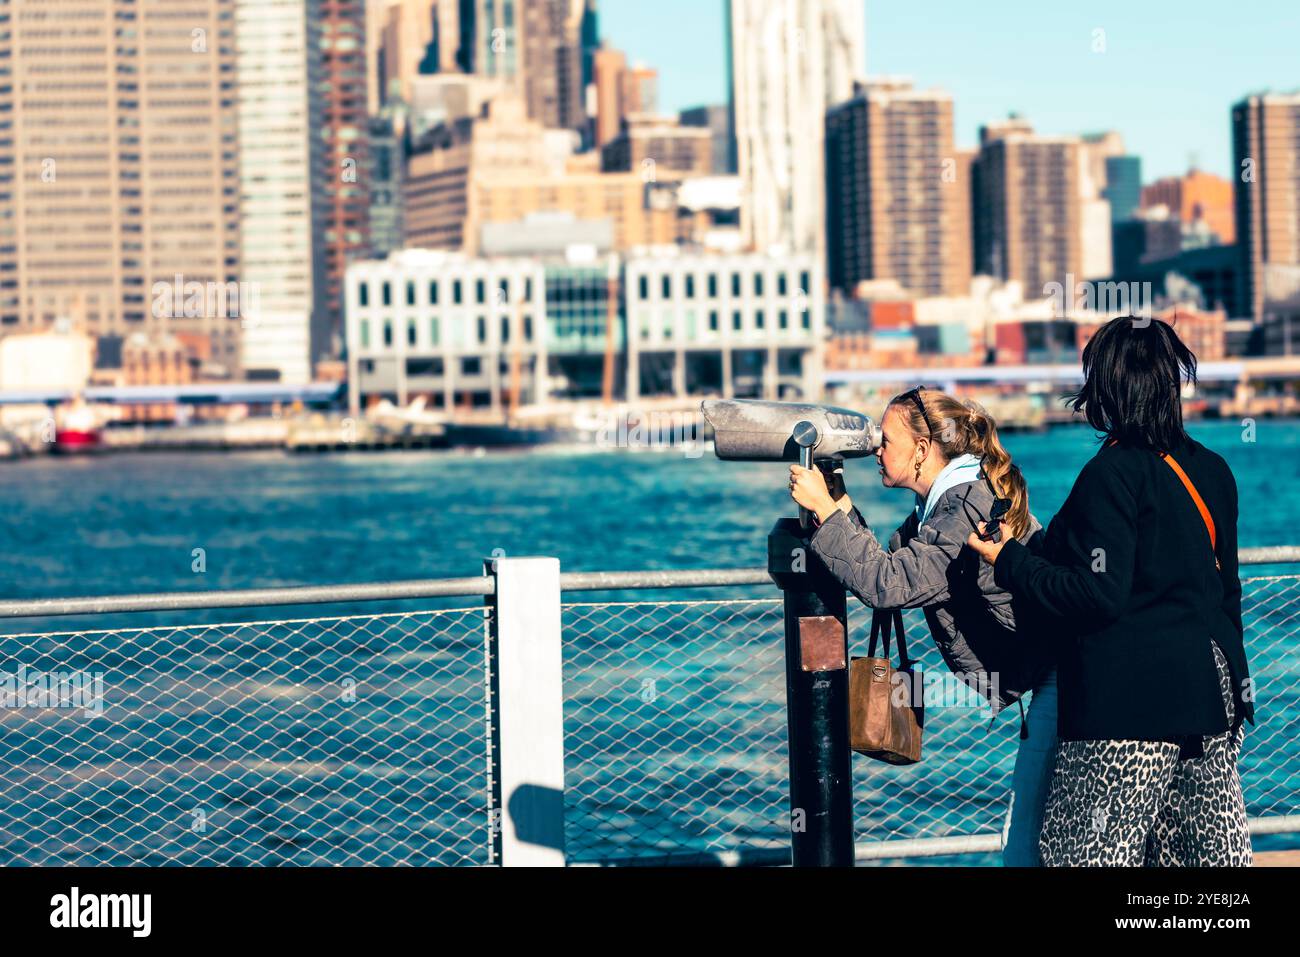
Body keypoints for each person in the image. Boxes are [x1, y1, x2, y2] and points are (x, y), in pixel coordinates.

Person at [966, 315, 1255, 867]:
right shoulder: (1213, 469)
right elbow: (1227, 593)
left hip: (1126, 709)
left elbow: (1100, 593)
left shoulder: (1111, 474)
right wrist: (1236, 693)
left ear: (1106, 388)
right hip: (1207, 704)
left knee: (1086, 854)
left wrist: (1009, 561)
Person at [789, 387, 1056, 865]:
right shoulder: (947, 503)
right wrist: (840, 507)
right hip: (1052, 677)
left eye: (885, 439)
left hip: (1064, 680)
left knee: (1027, 845)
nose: (876, 448)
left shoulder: (964, 508)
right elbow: (893, 562)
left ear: (921, 450)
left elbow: (887, 583)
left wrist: (827, 514)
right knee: (1038, 840)